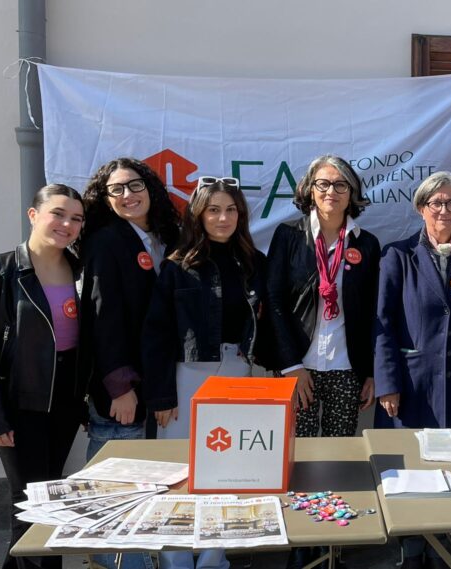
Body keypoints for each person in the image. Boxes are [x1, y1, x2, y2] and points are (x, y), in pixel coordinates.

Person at [142, 176, 269, 569]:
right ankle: (177, 559)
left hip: (239, 373)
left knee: (228, 470)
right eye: (213, 209)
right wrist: (162, 396)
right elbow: (157, 333)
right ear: (198, 214)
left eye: (231, 209)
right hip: (188, 375)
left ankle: (215, 558)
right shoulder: (178, 265)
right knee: (178, 474)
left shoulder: (253, 262)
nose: (223, 217)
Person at [0, 185, 88, 569]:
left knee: (48, 502)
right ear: (33, 215)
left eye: (76, 218)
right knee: (31, 507)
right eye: (58, 213)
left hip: (66, 404)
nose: (67, 224)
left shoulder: (83, 269)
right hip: (20, 405)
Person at [373, 171, 451, 568]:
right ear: (421, 208)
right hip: (412, 383)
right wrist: (387, 383)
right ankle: (412, 549)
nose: (444, 210)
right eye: (435, 203)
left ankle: (444, 545)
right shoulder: (397, 255)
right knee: (411, 468)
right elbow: (383, 324)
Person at [80, 157, 179, 569]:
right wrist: (119, 386)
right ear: (105, 199)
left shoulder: (163, 237)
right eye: (116, 190)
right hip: (123, 388)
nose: (127, 195)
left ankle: (137, 556)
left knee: (145, 480)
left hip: (157, 381)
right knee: (111, 482)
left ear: (150, 188)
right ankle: (109, 560)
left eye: (134, 185)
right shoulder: (106, 241)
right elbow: (102, 317)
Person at [265, 155, 379, 438]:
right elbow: (273, 300)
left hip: (346, 367)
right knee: (296, 450)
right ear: (310, 190)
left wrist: (371, 371)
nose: (332, 192)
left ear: (352, 192)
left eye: (341, 185)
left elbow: (373, 310)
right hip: (298, 366)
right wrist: (291, 365)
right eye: (323, 184)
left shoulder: (367, 243)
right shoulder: (288, 235)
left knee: (339, 452)